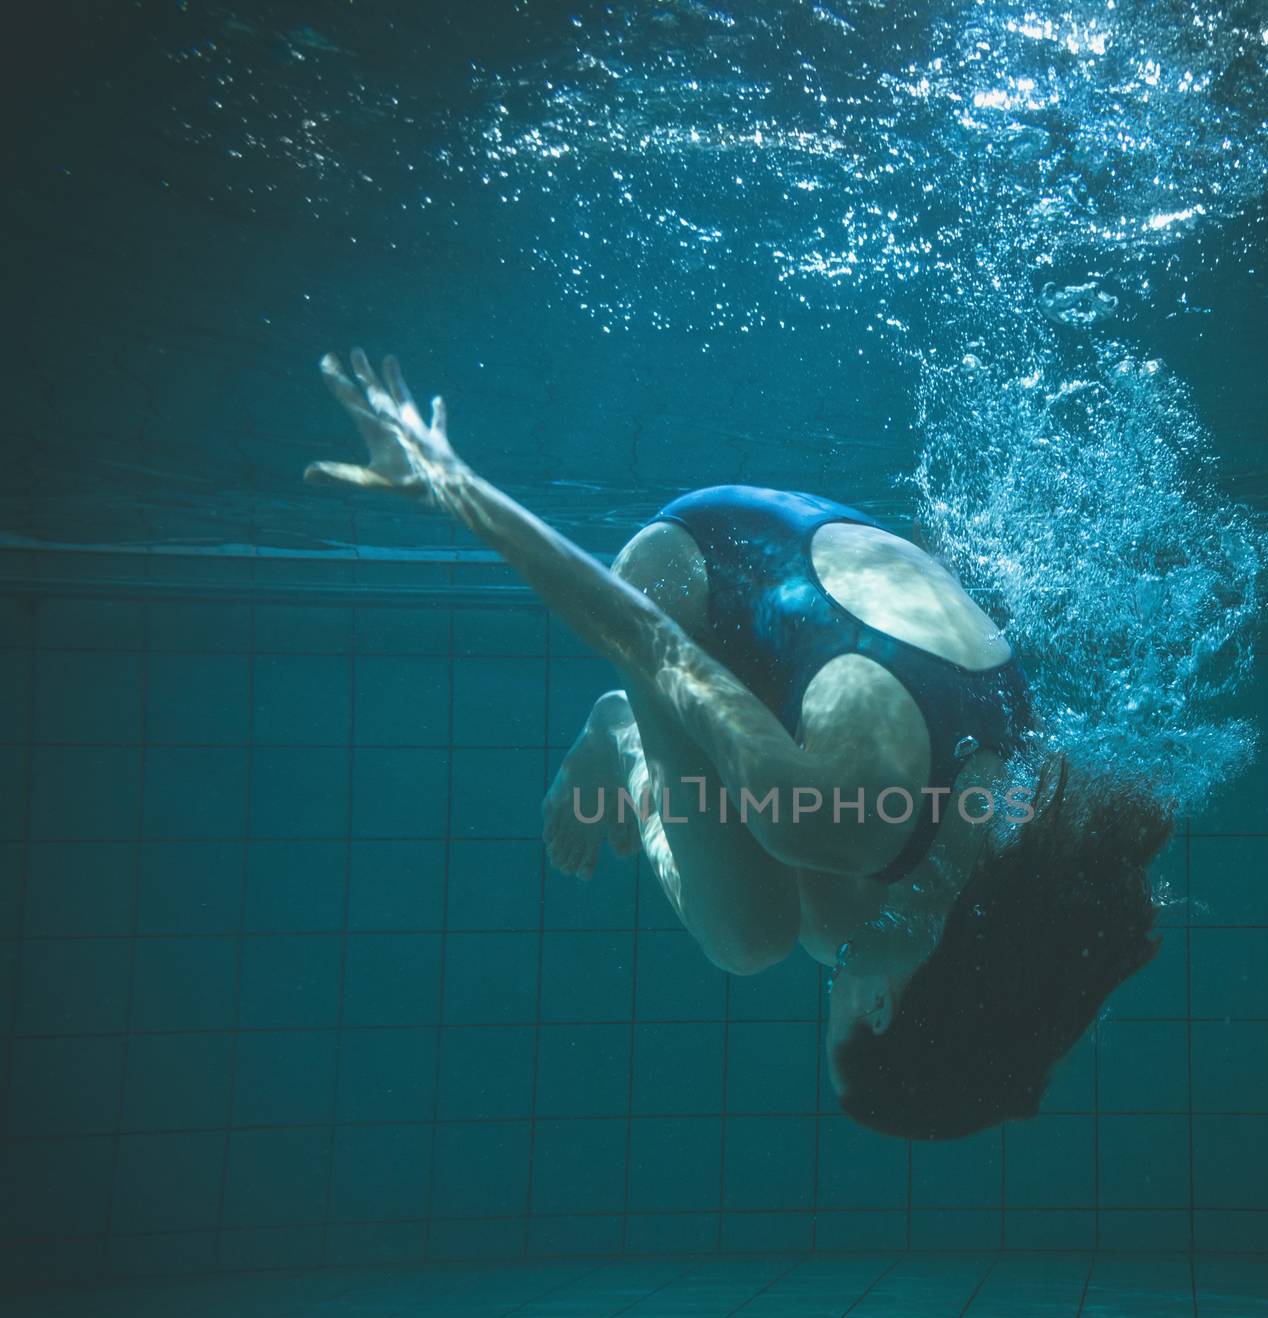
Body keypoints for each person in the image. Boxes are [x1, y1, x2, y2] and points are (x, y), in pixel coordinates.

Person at [306, 350, 1171, 1140]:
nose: (833, 990)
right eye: (836, 1010)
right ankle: (620, 737)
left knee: (835, 928)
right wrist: (449, 483)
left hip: (834, 556)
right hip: (695, 565)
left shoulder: (1014, 871)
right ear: (874, 1015)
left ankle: (717, 726)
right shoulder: (832, 811)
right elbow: (644, 637)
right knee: (752, 938)